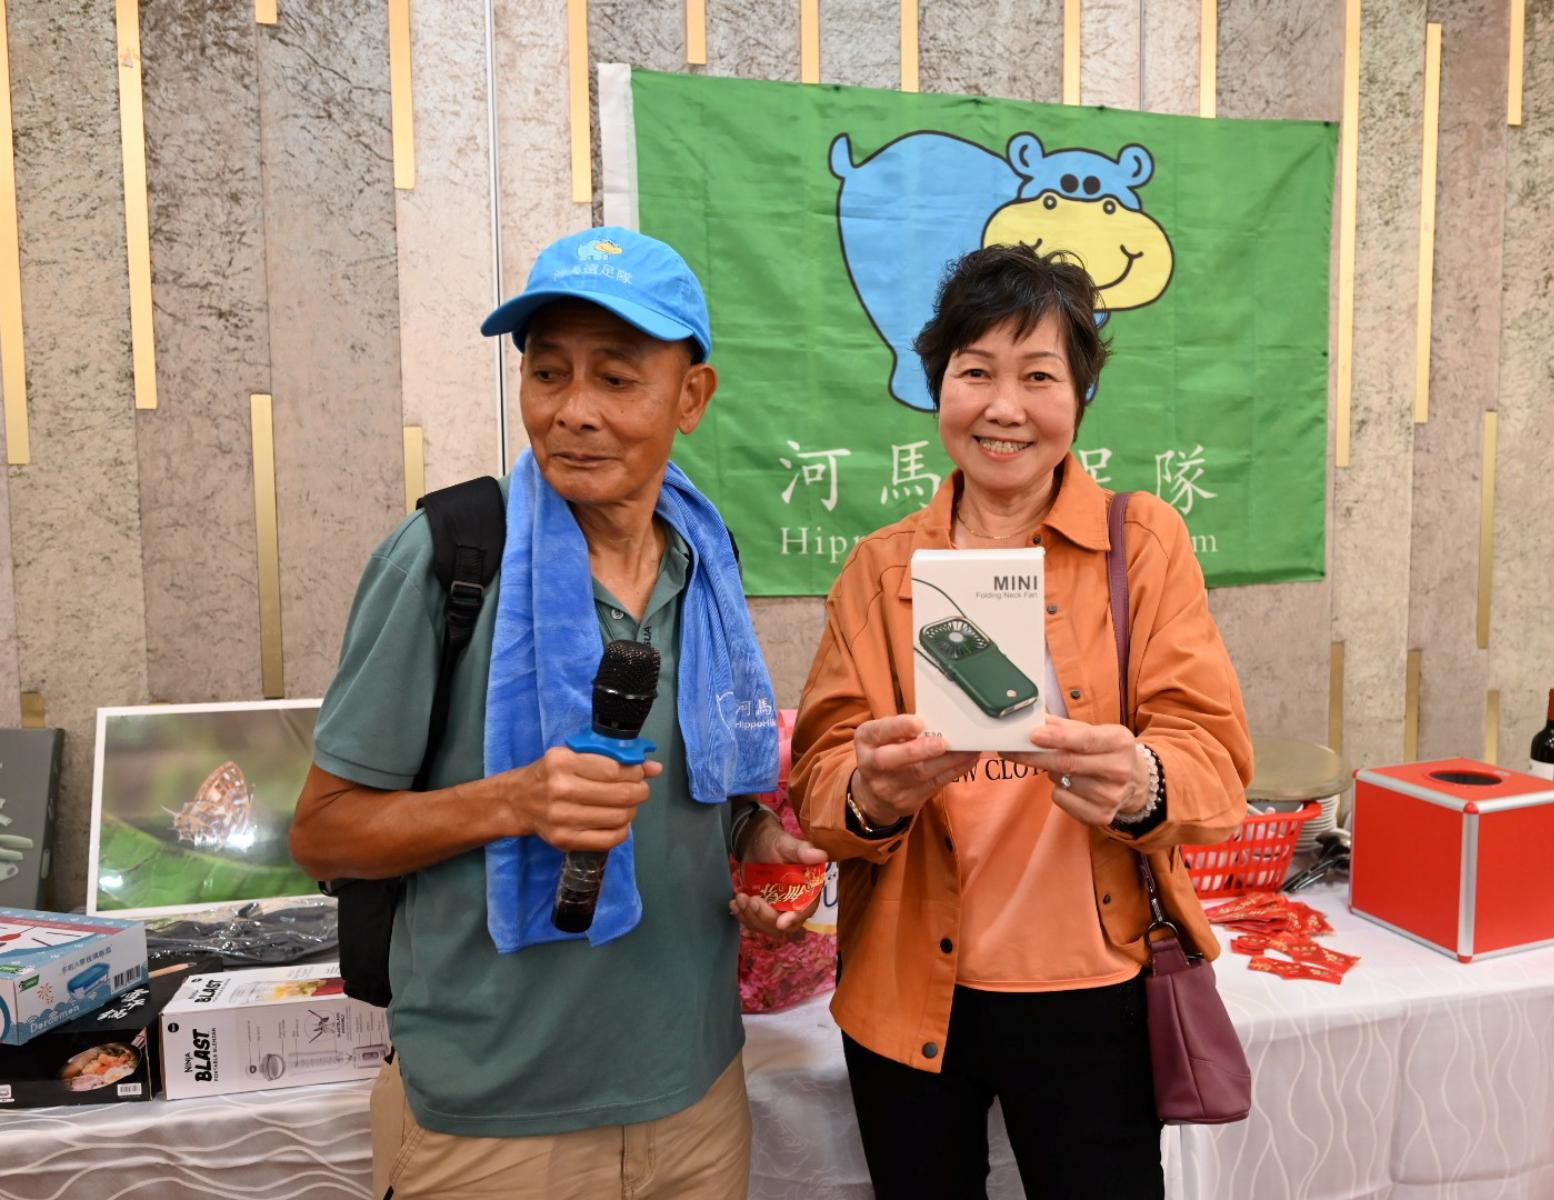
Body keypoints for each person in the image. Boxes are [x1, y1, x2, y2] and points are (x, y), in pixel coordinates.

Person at [289, 227, 822, 1200]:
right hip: (492, 1119)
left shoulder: (705, 563)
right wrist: (515, 801)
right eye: (548, 373)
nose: (574, 411)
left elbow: (702, 793)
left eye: (616, 378)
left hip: (694, 1095)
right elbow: (323, 834)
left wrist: (756, 839)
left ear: (691, 398)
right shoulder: (449, 556)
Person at [791, 244, 1253, 1198]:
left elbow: (1213, 758)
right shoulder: (879, 569)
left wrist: (1145, 781)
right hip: (909, 994)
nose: (1004, 407)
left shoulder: (1143, 543)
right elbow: (819, 780)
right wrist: (868, 793)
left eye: (1039, 376)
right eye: (976, 373)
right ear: (938, 388)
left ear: (1080, 395)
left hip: (1093, 990)